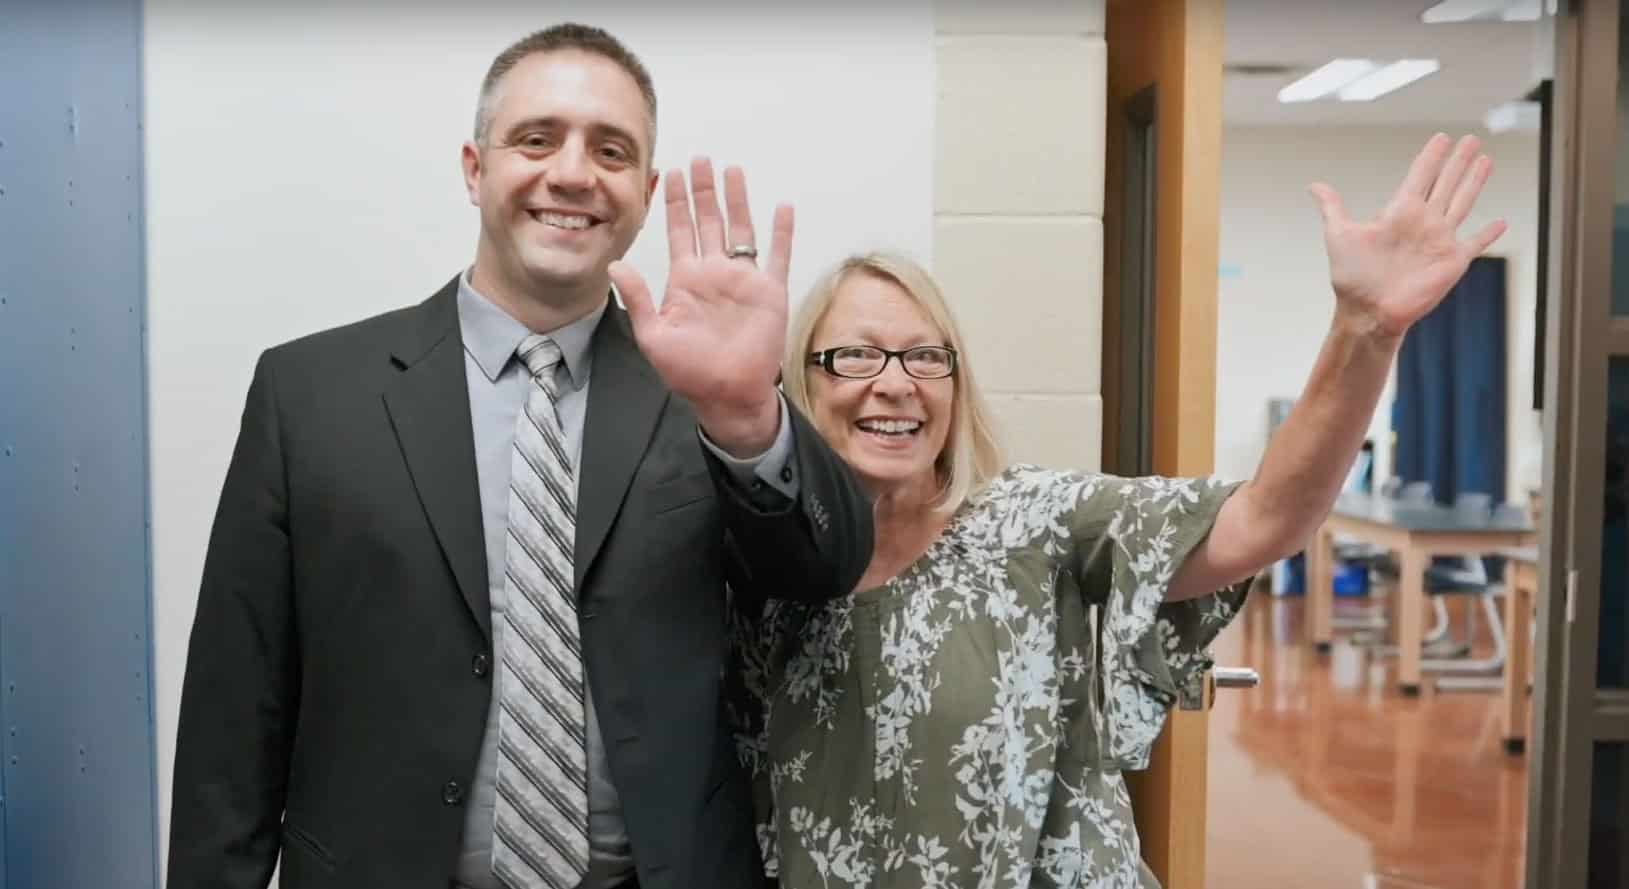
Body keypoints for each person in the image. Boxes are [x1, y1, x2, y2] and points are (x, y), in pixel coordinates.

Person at [167, 23, 873, 889]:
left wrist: (744, 413)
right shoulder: (308, 394)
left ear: (644, 193)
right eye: (537, 139)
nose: (573, 172)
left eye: (610, 150)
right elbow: (233, 721)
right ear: (475, 168)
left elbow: (823, 569)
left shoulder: (699, 392)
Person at [729, 132, 1506, 887]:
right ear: (800, 380)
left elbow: (1264, 519)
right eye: (856, 355)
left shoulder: (1033, 522)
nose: (895, 382)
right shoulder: (759, 562)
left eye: (926, 356)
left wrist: (1365, 331)